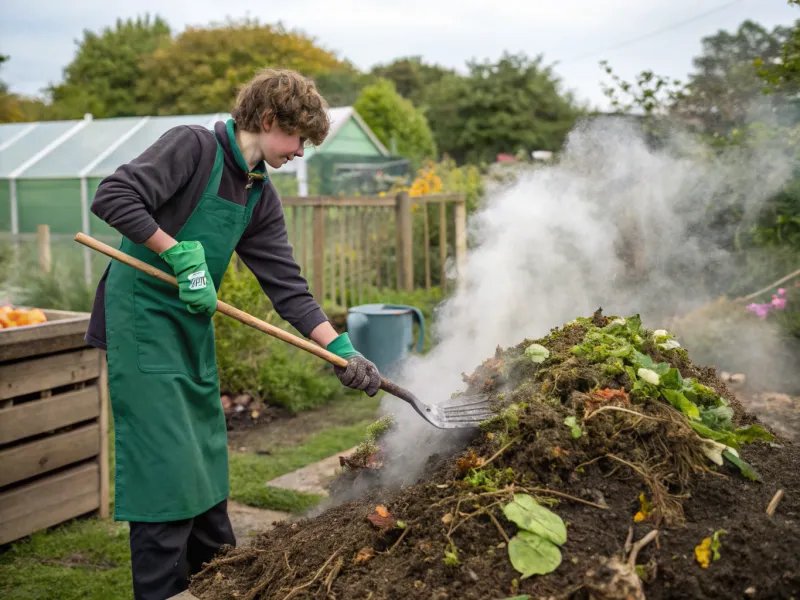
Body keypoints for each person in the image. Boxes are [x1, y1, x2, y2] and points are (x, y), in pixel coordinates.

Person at [84, 68, 382, 600]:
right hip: (142, 325)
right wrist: (175, 251)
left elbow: (286, 286)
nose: (300, 153)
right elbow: (112, 196)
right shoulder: (192, 149)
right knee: (166, 471)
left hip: (189, 331)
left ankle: (218, 583)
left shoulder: (258, 193)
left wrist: (338, 348)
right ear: (268, 120)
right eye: (297, 139)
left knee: (205, 466)